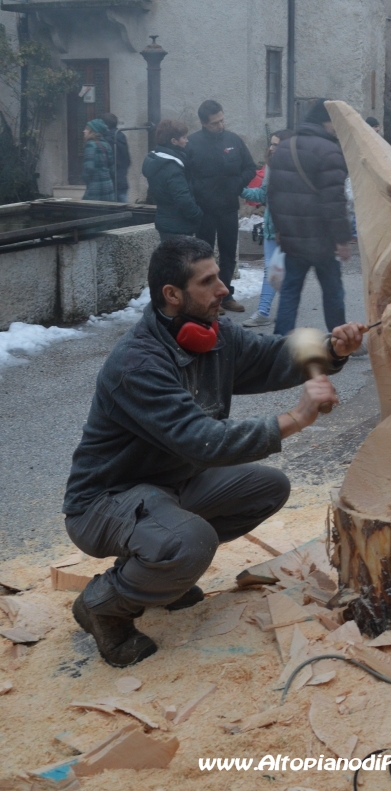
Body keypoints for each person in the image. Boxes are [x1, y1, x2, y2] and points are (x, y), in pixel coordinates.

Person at [62, 236, 366, 667]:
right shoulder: (138, 363)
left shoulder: (212, 336)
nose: (224, 288)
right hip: (104, 501)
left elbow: (274, 352)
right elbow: (203, 439)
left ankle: (163, 569)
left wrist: (332, 347)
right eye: (208, 281)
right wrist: (296, 418)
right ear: (172, 295)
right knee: (191, 540)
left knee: (267, 487)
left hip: (167, 486)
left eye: (219, 276)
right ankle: (103, 605)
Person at [267, 100, 352, 336]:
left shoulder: (285, 148)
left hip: (293, 239)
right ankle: (340, 339)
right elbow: (334, 202)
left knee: (290, 292)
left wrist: (281, 229)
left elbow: (273, 194)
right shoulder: (329, 151)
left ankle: (281, 343)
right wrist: (342, 239)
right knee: (333, 291)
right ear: (326, 121)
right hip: (322, 241)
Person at [186, 100, 257, 314]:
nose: (220, 126)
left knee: (228, 254)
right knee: (203, 257)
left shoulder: (233, 140)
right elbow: (186, 177)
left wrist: (237, 184)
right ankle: (206, 299)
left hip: (228, 208)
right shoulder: (192, 144)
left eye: (222, 120)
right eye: (214, 123)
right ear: (203, 123)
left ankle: (226, 296)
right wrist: (196, 195)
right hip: (204, 210)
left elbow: (250, 168)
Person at [240, 129, 294, 328]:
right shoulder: (271, 166)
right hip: (272, 228)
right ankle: (269, 311)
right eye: (271, 144)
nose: (272, 148)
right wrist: (237, 188)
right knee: (273, 270)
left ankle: (266, 311)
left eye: (277, 145)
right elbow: (264, 195)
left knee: (277, 270)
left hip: (287, 230)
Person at [142, 119, 203, 241]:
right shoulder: (172, 167)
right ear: (174, 141)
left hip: (166, 221)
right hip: (178, 226)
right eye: (184, 137)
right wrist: (198, 215)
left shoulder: (157, 160)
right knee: (180, 259)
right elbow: (183, 199)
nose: (187, 140)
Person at [82, 118, 115, 202]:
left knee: (91, 212)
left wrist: (85, 179)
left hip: (95, 188)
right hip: (108, 187)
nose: (84, 131)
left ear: (92, 131)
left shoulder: (90, 144)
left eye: (87, 129)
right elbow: (112, 169)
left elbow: (89, 168)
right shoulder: (106, 145)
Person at [102, 113, 131, 202]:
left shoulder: (107, 139)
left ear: (105, 125)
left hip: (111, 181)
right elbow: (128, 160)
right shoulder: (121, 136)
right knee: (124, 205)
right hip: (122, 178)